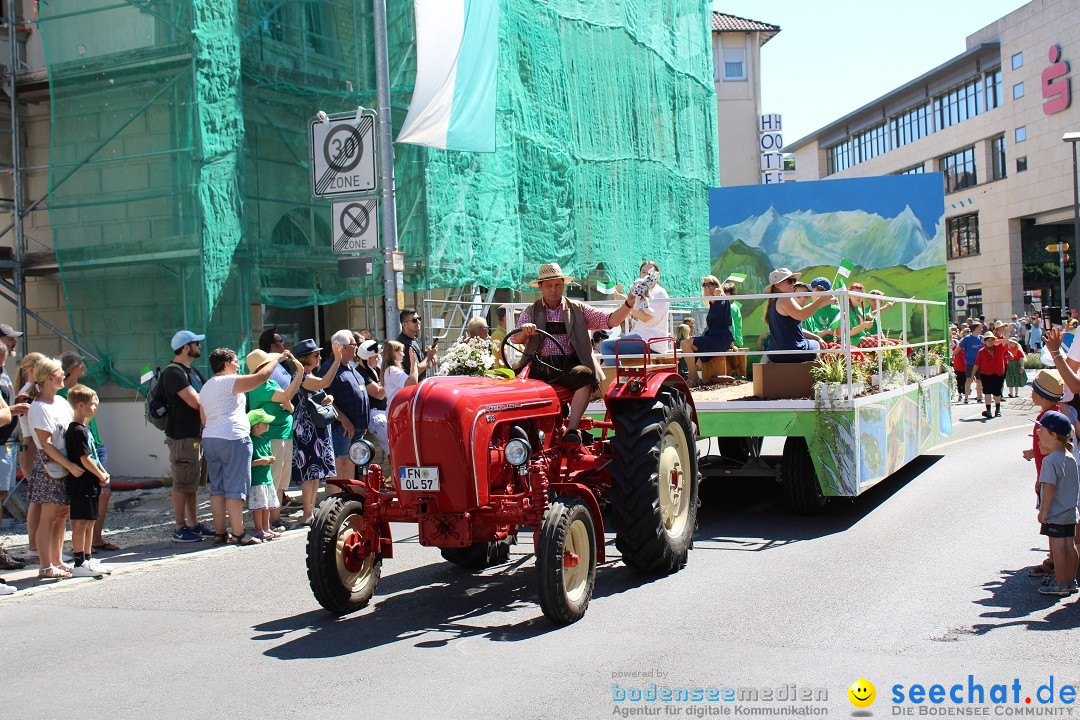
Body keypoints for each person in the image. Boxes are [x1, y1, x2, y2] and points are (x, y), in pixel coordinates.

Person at [516, 262, 637, 443]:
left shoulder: (577, 308)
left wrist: (628, 304)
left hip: (568, 364)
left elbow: (609, 320)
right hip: (540, 365)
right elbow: (515, 339)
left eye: (557, 285)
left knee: (586, 376)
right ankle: (528, 433)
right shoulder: (530, 311)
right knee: (517, 385)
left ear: (563, 285)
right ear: (540, 287)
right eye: (548, 285)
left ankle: (571, 430)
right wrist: (524, 330)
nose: (553, 290)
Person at [200, 347, 285, 545]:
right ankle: (238, 533)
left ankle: (220, 532)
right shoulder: (229, 381)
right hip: (233, 437)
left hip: (211, 437)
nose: (238, 365)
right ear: (226, 363)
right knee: (235, 489)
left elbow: (203, 417)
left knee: (218, 488)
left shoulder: (206, 386)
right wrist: (277, 359)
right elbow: (261, 377)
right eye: (236, 361)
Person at [57, 351, 118, 553]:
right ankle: (80, 553)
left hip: (95, 443)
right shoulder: (63, 395)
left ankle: (95, 540)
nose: (83, 367)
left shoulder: (84, 391)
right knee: (82, 506)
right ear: (70, 368)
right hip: (82, 447)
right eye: (79, 364)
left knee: (103, 494)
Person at [28, 358, 82, 579]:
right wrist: (68, 464)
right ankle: (45, 565)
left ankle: (57, 559)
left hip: (65, 464)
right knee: (48, 517)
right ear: (50, 377)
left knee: (61, 515)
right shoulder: (39, 407)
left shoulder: (60, 402)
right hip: (51, 467)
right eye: (60, 372)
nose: (64, 375)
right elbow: (46, 444)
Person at [244, 348, 303, 530]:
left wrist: (286, 403)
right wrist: (299, 372)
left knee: (281, 482)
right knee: (274, 480)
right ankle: (270, 522)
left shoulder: (270, 384)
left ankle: (275, 519)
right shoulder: (260, 386)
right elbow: (287, 398)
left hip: (284, 434)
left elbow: (290, 406)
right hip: (273, 436)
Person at [162, 330, 211, 543]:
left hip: (194, 435)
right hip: (182, 437)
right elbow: (195, 401)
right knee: (182, 483)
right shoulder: (173, 373)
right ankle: (179, 527)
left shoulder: (191, 371)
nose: (199, 347)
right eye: (195, 344)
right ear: (185, 348)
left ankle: (193, 524)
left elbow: (207, 395)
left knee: (191, 483)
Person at [291, 338, 342, 525]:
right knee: (309, 472)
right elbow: (325, 382)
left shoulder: (307, 376)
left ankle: (310, 510)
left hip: (314, 428)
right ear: (304, 358)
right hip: (306, 430)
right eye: (316, 355)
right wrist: (336, 360)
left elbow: (320, 391)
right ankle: (307, 512)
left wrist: (328, 398)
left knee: (315, 472)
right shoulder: (303, 376)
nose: (320, 357)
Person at [1032, 410, 1080, 597]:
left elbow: (1049, 487)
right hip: (1070, 512)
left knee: (1058, 547)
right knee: (1071, 545)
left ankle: (1060, 583)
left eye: (1041, 430)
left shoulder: (1050, 461)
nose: (1037, 433)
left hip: (1056, 513)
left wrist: (1043, 512)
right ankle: (1071, 581)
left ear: (1053, 435)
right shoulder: (1070, 457)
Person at [64, 384, 110, 577]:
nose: (94, 408)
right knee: (80, 522)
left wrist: (102, 472)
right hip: (80, 484)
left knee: (90, 520)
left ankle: (88, 558)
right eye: (92, 404)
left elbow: (94, 457)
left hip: (91, 483)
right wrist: (100, 474)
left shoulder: (86, 429)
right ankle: (79, 561)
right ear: (80, 405)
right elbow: (85, 458)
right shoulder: (76, 431)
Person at [1023, 370, 1064, 579]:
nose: (1031, 393)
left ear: (1040, 396)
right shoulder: (1055, 414)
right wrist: (1032, 452)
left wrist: (1041, 480)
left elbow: (1051, 451)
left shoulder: (1047, 418)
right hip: (1048, 474)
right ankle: (1057, 559)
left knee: (1050, 520)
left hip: (1048, 477)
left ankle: (1056, 561)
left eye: (1033, 390)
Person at [320, 329, 370, 480]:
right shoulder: (330, 369)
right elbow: (324, 399)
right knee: (339, 463)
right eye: (354, 344)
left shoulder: (350, 366)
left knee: (351, 462)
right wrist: (343, 420)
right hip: (341, 428)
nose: (356, 347)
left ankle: (347, 497)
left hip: (356, 426)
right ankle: (336, 499)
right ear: (343, 348)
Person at [599, 260, 670, 364]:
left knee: (606, 345)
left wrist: (627, 303)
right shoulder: (641, 292)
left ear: (656, 274)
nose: (646, 274)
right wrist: (623, 303)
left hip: (650, 341)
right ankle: (618, 376)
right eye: (643, 272)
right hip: (640, 336)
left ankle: (617, 378)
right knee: (607, 351)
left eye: (649, 272)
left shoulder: (659, 292)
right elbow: (631, 315)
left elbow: (646, 318)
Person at [763, 268, 832, 363]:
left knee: (816, 342)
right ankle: (815, 376)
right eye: (790, 281)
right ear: (777, 285)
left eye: (794, 281)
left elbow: (796, 327)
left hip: (775, 354)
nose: (793, 284)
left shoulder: (773, 302)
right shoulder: (785, 299)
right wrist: (821, 299)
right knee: (819, 346)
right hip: (793, 350)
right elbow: (802, 314)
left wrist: (817, 337)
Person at [15, 351, 44, 562]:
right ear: (33, 369)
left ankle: (37, 545)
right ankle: (35, 546)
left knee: (40, 499)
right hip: (32, 444)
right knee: (38, 499)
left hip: (33, 443)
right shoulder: (28, 392)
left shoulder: (33, 390)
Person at [680, 275, 732, 386]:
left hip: (721, 339)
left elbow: (721, 303)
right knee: (687, 345)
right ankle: (694, 378)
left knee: (686, 343)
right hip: (714, 338)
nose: (707, 287)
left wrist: (717, 296)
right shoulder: (711, 303)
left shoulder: (721, 297)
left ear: (716, 285)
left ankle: (692, 378)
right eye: (705, 284)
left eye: (710, 283)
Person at [246, 408, 279, 541]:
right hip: (257, 480)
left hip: (267, 478)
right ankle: (259, 529)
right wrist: (261, 461)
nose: (268, 425)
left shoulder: (265, 439)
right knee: (259, 506)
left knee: (267, 506)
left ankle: (267, 528)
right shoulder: (250, 441)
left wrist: (270, 459)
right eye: (265, 422)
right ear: (256, 425)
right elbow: (248, 463)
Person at [355, 339, 389, 456]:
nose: (378, 359)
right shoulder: (360, 373)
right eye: (375, 356)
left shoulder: (375, 370)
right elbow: (379, 394)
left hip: (385, 411)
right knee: (392, 448)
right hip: (375, 417)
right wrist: (389, 380)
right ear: (367, 359)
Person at [972, 333, 1007, 419]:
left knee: (997, 392)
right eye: (988, 340)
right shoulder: (981, 352)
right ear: (985, 342)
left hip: (998, 373)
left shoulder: (999, 348)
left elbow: (1005, 341)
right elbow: (977, 364)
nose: (990, 342)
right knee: (987, 392)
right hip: (986, 374)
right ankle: (988, 410)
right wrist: (972, 374)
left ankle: (997, 410)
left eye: (992, 340)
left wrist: (1008, 332)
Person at [397, 308, 437, 381]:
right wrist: (429, 355)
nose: (418, 322)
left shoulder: (413, 339)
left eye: (419, 319)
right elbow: (416, 370)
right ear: (405, 325)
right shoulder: (404, 344)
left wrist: (430, 353)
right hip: (411, 389)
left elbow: (420, 357)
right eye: (414, 320)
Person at [802, 277, 840, 341]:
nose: (811, 295)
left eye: (812, 292)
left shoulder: (837, 310)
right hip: (816, 344)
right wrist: (826, 331)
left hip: (834, 344)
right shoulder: (809, 308)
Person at [383, 340, 418, 407]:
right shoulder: (393, 370)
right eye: (401, 351)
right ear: (394, 353)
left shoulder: (390, 369)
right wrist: (414, 362)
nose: (403, 354)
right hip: (396, 409)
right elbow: (412, 383)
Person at [957, 322, 985, 402]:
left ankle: (979, 397)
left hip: (980, 363)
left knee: (979, 380)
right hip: (970, 363)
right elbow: (959, 348)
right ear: (975, 328)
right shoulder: (967, 338)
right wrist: (952, 357)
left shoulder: (982, 338)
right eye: (980, 327)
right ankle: (966, 398)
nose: (982, 329)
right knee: (969, 379)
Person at [952, 329, 968, 403]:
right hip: (958, 367)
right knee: (959, 381)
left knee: (965, 381)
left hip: (965, 367)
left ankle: (965, 394)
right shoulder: (957, 348)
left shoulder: (967, 349)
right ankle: (960, 394)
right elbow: (952, 344)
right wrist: (950, 337)